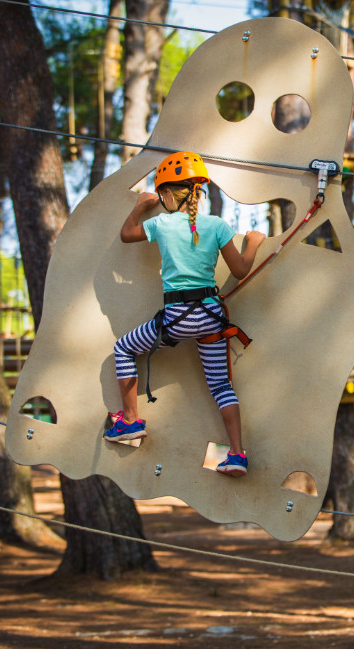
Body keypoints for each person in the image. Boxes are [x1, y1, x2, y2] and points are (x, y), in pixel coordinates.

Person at [104, 151, 266, 477]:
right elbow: (241, 268)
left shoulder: (161, 223)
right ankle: (237, 455)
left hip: (176, 321)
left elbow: (126, 234)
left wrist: (139, 206)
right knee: (221, 385)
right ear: (199, 192)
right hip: (210, 317)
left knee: (123, 347)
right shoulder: (217, 226)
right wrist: (254, 242)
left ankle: (130, 422)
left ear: (165, 193)